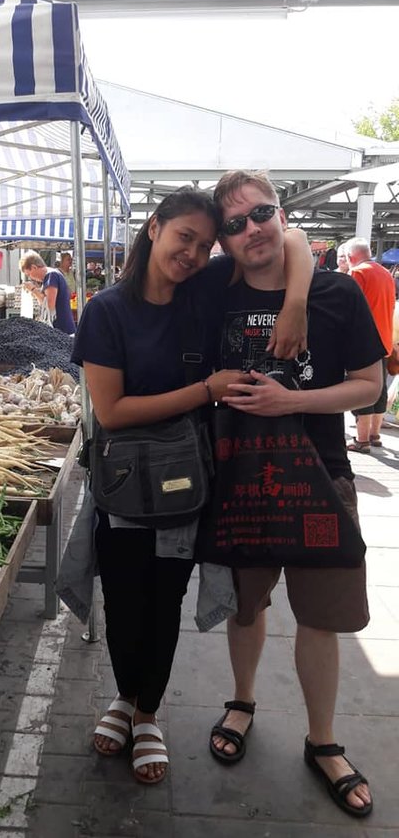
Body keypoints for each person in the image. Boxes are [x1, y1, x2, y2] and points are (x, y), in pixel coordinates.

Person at [71, 186, 312, 785]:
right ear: (153, 228)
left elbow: (295, 239)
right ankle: (124, 698)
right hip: (124, 485)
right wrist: (206, 390)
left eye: (205, 246)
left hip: (183, 487)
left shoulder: (201, 295)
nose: (195, 255)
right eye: (185, 238)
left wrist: (297, 304)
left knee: (165, 603)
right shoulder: (106, 310)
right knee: (125, 602)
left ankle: (148, 712)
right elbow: (114, 410)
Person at [207, 170, 384, 818]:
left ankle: (323, 739)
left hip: (321, 475)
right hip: (239, 480)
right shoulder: (215, 293)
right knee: (246, 606)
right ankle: (243, 699)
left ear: (279, 214)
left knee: (321, 617)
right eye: (234, 223)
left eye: (262, 213)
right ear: (222, 240)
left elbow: (368, 384)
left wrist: (294, 398)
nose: (251, 228)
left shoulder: (335, 292)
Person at [345, 238, 396, 453]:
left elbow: (347, 308)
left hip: (363, 342)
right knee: (380, 389)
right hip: (384, 340)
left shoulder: (358, 273)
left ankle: (362, 440)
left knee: (362, 389)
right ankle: (375, 435)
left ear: (350, 257)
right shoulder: (386, 274)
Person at [20, 250, 75, 335]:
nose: (30, 278)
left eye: (29, 274)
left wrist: (33, 289)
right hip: (60, 330)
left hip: (61, 331)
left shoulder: (51, 276)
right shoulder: (52, 275)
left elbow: (49, 305)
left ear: (34, 267)